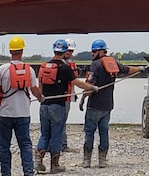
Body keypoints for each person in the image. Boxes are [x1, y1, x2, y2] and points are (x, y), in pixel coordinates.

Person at [36, 39, 98, 174]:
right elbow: (77, 83)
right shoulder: (64, 68)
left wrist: (40, 98)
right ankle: (54, 164)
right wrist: (92, 87)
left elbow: (40, 85)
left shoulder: (44, 66)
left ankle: (38, 161)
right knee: (57, 134)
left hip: (44, 105)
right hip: (58, 106)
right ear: (64, 52)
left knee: (45, 133)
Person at [82, 39, 141, 168]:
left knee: (89, 132)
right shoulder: (112, 63)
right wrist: (140, 69)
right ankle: (102, 160)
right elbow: (126, 69)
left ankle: (87, 161)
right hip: (108, 105)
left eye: (94, 51)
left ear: (100, 51)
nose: (92, 54)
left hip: (94, 106)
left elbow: (90, 85)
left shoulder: (95, 65)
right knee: (104, 132)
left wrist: (83, 98)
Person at [0, 36, 42, 176]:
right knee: (25, 145)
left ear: (10, 51)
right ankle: (28, 172)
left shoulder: (2, 69)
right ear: (21, 51)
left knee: (4, 146)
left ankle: (6, 173)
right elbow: (34, 90)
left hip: (5, 114)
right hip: (23, 114)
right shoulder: (30, 70)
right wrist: (40, 98)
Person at [60, 39, 78, 153]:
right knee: (60, 121)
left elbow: (73, 81)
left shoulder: (70, 63)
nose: (69, 53)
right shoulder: (60, 64)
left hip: (68, 96)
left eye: (71, 51)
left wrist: (74, 93)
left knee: (63, 121)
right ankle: (62, 145)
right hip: (61, 98)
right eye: (68, 50)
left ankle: (61, 144)